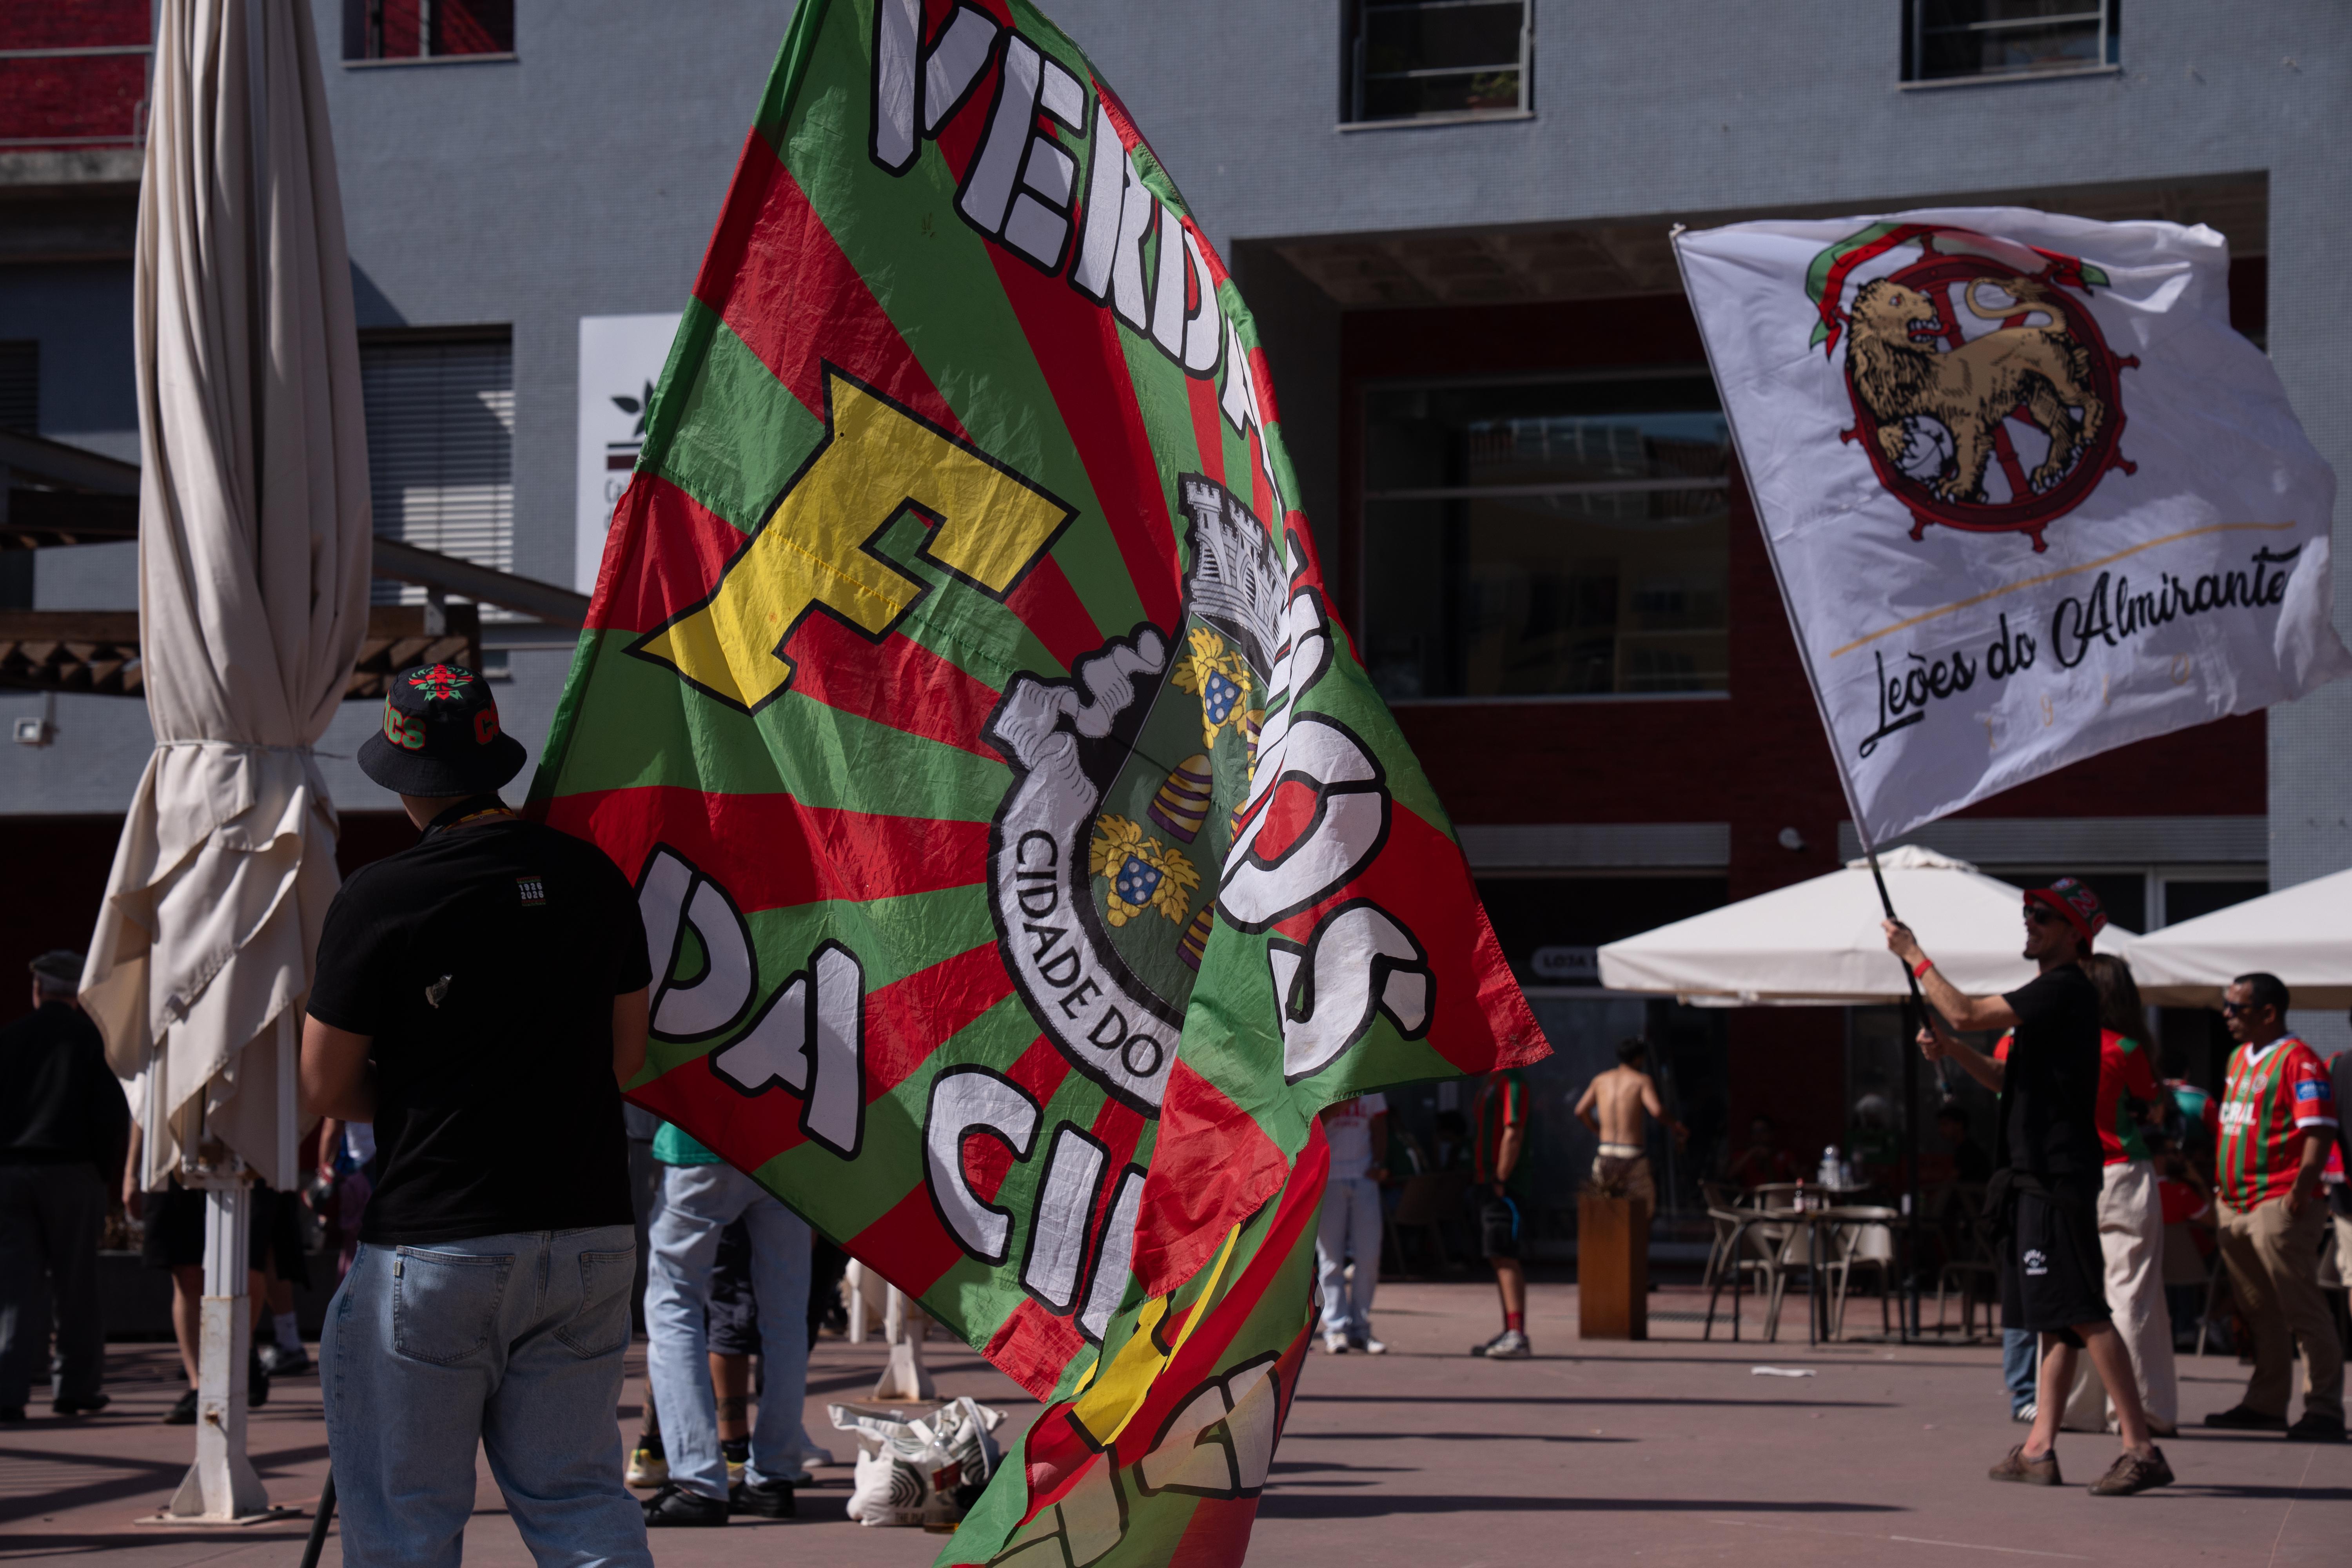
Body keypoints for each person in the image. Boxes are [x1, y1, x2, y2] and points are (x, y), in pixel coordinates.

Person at [301, 662, 655, 1566]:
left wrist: (427, 1092)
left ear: (398, 777)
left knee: (408, 1521)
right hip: (587, 1230)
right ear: (493, 758)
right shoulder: (595, 877)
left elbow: (325, 1084)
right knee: (580, 1501)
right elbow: (626, 1059)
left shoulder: (381, 896)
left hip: (436, 1236)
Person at [1887, 876, 2174, 1495]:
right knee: (2055, 1320)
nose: (2030, 922)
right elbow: (2000, 1075)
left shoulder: (2063, 990)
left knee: (2083, 1312)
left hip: (2053, 1176)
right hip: (2034, 1176)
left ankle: (2141, 1448)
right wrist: (1954, 1052)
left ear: (2075, 934)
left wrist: (1915, 956)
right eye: (2028, 913)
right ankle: (2040, 1448)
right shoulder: (2049, 1001)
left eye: (2044, 916)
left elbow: (1964, 1008)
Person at [639, 1117, 812, 1526]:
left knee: (673, 1303)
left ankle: (697, 1481)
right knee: (786, 1316)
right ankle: (774, 1476)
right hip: (791, 1143)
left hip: (701, 1135)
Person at [2201, 973, 2343, 1441]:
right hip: (2235, 1202)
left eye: (2236, 1007)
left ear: (2269, 1013)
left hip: (2278, 1201)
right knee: (2258, 1308)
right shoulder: (2239, 1056)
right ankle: (2266, 1402)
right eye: (2226, 1005)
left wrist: (2299, 1192)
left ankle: (2323, 1408)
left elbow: (2319, 1131)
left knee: (2301, 1307)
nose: (2227, 1014)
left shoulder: (2299, 1060)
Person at [0, 950, 131, 1421]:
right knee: (77, 1284)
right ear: (78, 992)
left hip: (12, 1171)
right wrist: (103, 1173)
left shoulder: (11, 1038)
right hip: (73, 1170)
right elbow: (112, 1115)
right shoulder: (93, 1040)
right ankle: (74, 1387)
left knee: (15, 1286)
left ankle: (7, 1390)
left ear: (37, 989)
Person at [2058, 955, 2177, 1438]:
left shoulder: (2049, 1045)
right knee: (2131, 1294)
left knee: (2082, 1296)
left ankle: (2081, 1407)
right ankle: (2140, 1409)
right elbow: (2151, 1106)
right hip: (2122, 1171)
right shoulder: (2125, 1048)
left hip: (2069, 1175)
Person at [126, 1121, 273, 1423]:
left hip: (244, 1144)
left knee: (246, 1264)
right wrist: (132, 1170)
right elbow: (142, 1099)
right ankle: (200, 1386)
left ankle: (240, 1353)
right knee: (186, 1271)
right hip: (175, 1150)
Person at [1574, 1038, 1688, 1226]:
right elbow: (1657, 1111)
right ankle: (1633, 1252)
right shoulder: (1641, 1081)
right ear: (1639, 1059)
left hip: (1605, 1154)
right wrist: (1675, 1125)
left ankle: (1608, 1253)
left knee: (1604, 1213)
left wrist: (1598, 1131)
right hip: (1632, 1155)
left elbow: (1580, 1111)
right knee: (1644, 1211)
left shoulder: (1601, 1080)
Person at [1315, 1093, 1389, 1355]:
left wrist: (1379, 1163)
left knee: (1369, 1256)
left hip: (1364, 1177)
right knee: (1331, 1259)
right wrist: (1343, 1101)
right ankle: (1336, 1328)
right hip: (1330, 1178)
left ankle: (1360, 1328)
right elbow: (1314, 1123)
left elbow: (1380, 1125)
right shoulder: (1326, 1079)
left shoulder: (1373, 1087)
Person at [1468, 1067, 1533, 1358]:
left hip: (1503, 1185)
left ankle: (1517, 1334)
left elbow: (1514, 1130)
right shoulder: (1493, 1080)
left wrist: (1501, 1178)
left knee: (1505, 1254)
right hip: (1489, 1182)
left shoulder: (1511, 1081)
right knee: (1498, 1256)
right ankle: (1510, 1329)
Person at [1726, 1115, 1797, 1191]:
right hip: (1750, 1199)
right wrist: (1752, 1153)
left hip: (1778, 1198)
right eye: (1755, 1132)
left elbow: (1799, 1179)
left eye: (1763, 1131)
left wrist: (1768, 1159)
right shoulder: (1742, 1155)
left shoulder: (1785, 1155)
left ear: (1771, 1133)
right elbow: (1728, 1176)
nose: (1759, 1136)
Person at [1938, 1103, 1992, 1185]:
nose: (1941, 1129)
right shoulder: (1964, 1148)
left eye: (1945, 1124)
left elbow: (1952, 1180)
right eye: (1941, 1125)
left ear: (1960, 1125)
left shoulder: (1967, 1150)